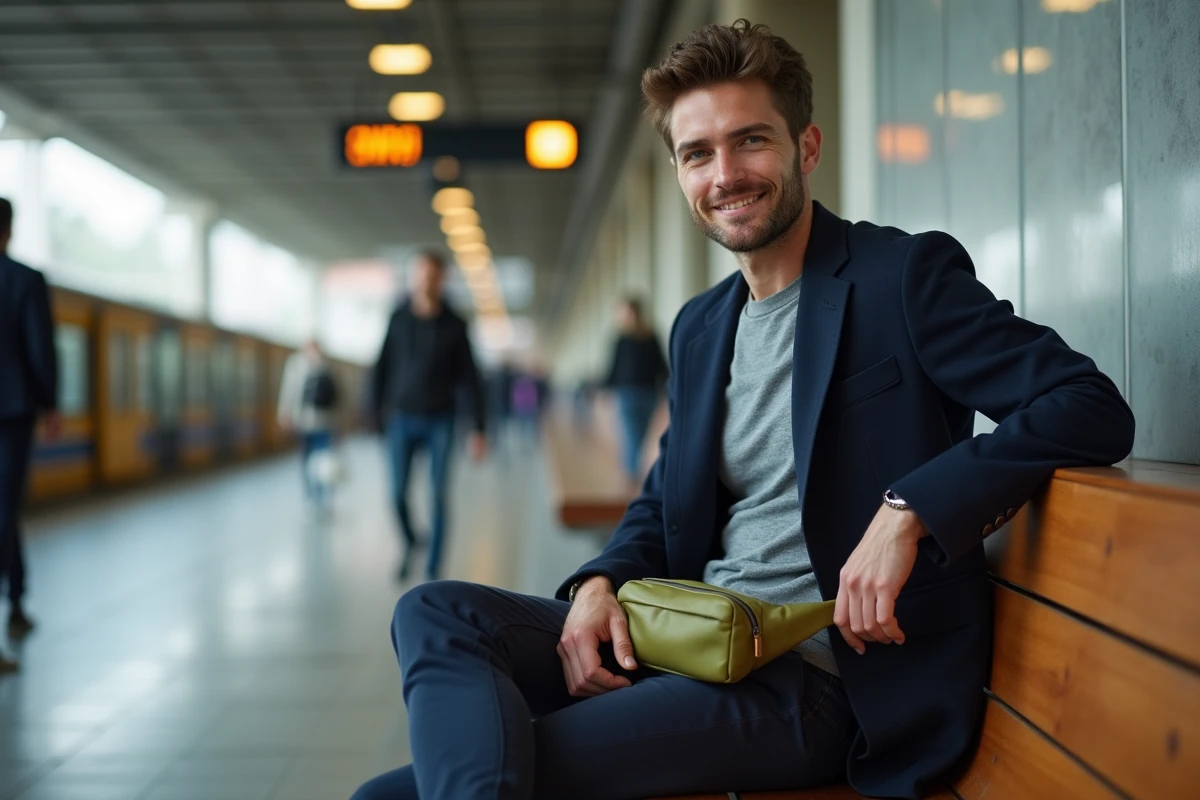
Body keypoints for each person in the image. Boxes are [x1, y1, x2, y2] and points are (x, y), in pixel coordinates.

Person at [351, 20, 1136, 800]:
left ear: (807, 147)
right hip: (691, 637)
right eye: (698, 153)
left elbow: (1088, 404)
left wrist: (910, 511)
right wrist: (598, 584)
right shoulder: (700, 327)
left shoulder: (903, 278)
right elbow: (664, 498)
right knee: (435, 611)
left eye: (750, 141)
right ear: (679, 171)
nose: (725, 173)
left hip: (816, 682)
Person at [372, 250, 487, 582]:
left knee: (438, 495)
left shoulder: (455, 324)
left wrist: (479, 427)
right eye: (420, 273)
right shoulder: (398, 317)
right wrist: (376, 414)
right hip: (401, 418)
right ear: (413, 277)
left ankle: (434, 568)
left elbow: (471, 377)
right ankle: (411, 542)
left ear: (442, 279)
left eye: (433, 274)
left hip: (442, 420)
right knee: (396, 493)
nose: (426, 280)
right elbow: (382, 366)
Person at [0, 197, 60, 675]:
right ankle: (15, 605)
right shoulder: (24, 280)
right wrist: (51, 404)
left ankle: (16, 601)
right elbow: (40, 345)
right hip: (12, 411)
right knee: (4, 509)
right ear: (9, 230)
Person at [602, 296, 668, 481]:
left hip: (648, 393)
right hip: (626, 393)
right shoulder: (620, 339)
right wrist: (605, 388)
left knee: (641, 434)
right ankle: (632, 473)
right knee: (631, 433)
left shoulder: (651, 337)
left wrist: (667, 387)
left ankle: (634, 470)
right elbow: (613, 367)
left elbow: (661, 364)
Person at [277, 339, 338, 511]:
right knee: (307, 460)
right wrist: (284, 413)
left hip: (324, 422)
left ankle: (324, 495)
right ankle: (311, 496)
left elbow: (338, 397)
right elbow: (289, 390)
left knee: (323, 461)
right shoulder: (296, 366)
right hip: (303, 422)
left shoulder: (327, 367)